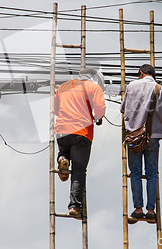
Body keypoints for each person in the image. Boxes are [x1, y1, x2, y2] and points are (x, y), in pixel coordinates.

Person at [120, 64, 162, 223]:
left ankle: (138, 209)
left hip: (134, 136)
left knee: (135, 172)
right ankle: (151, 210)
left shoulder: (132, 86)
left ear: (140, 73)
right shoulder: (160, 88)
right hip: (153, 136)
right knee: (152, 172)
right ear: (153, 75)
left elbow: (122, 110)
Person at [54, 68, 107, 217]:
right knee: (78, 170)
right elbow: (101, 109)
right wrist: (98, 118)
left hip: (62, 131)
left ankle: (62, 158)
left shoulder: (64, 86)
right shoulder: (92, 87)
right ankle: (74, 206)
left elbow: (56, 110)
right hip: (81, 133)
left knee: (65, 150)